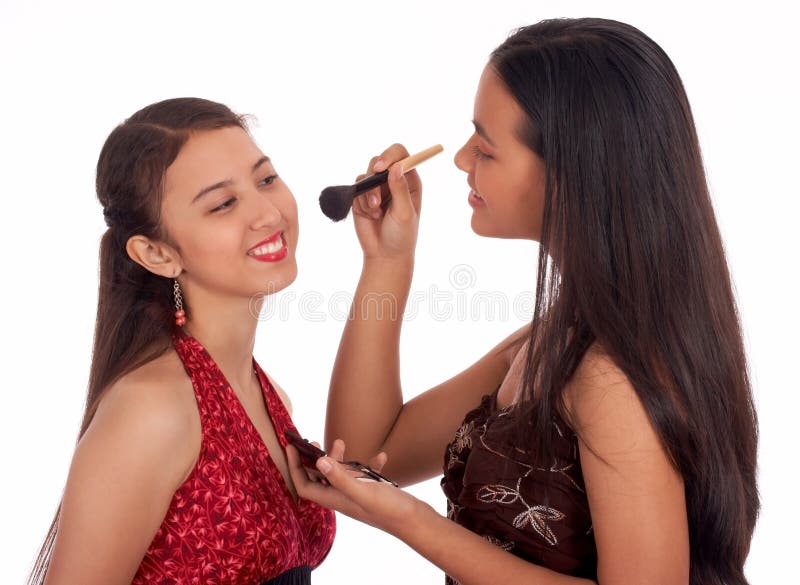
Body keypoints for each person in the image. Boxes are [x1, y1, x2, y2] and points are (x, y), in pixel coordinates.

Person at [286, 18, 759, 585]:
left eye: (484, 148)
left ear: (570, 175)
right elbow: (366, 452)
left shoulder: (610, 380)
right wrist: (387, 263)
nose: (461, 161)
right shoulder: (547, 340)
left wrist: (412, 523)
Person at [29, 98, 335, 585]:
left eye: (266, 179)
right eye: (223, 204)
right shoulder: (151, 410)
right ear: (156, 253)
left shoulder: (268, 394)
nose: (267, 213)